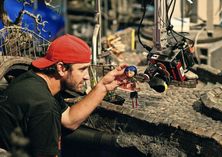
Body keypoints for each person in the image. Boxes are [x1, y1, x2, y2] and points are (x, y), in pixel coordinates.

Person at [0, 34, 129, 157]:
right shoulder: (44, 105)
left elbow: (69, 119)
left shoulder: (34, 80)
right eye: (82, 69)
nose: (86, 77)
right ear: (61, 68)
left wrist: (103, 87)